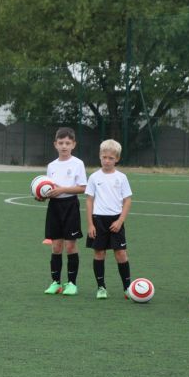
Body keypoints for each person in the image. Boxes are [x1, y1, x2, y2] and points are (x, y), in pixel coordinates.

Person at [84, 139, 134, 299]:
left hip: (116, 220)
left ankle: (127, 288)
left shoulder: (121, 177)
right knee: (99, 253)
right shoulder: (94, 177)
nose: (107, 161)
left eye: (111, 158)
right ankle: (101, 288)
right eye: (104, 157)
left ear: (117, 159)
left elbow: (127, 200)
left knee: (121, 254)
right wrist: (90, 224)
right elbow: (89, 201)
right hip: (98, 220)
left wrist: (120, 221)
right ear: (100, 156)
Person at [43, 127, 87, 296]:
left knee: (70, 246)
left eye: (68, 143)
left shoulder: (78, 164)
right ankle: (56, 283)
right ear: (55, 144)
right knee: (56, 246)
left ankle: (72, 283)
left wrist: (62, 190)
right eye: (61, 143)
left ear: (73, 144)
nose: (64, 146)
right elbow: (48, 187)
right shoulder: (51, 166)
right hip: (54, 207)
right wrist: (42, 196)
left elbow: (82, 188)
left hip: (70, 206)